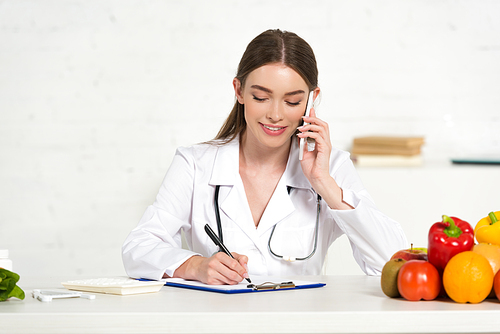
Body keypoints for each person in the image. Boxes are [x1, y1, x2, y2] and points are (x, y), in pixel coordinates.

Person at [122, 29, 407, 285]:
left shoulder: (331, 167)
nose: (276, 114)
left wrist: (324, 183)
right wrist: (196, 266)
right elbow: (139, 247)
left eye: (293, 101)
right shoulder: (195, 164)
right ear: (239, 91)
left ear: (312, 97)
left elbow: (394, 263)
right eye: (261, 97)